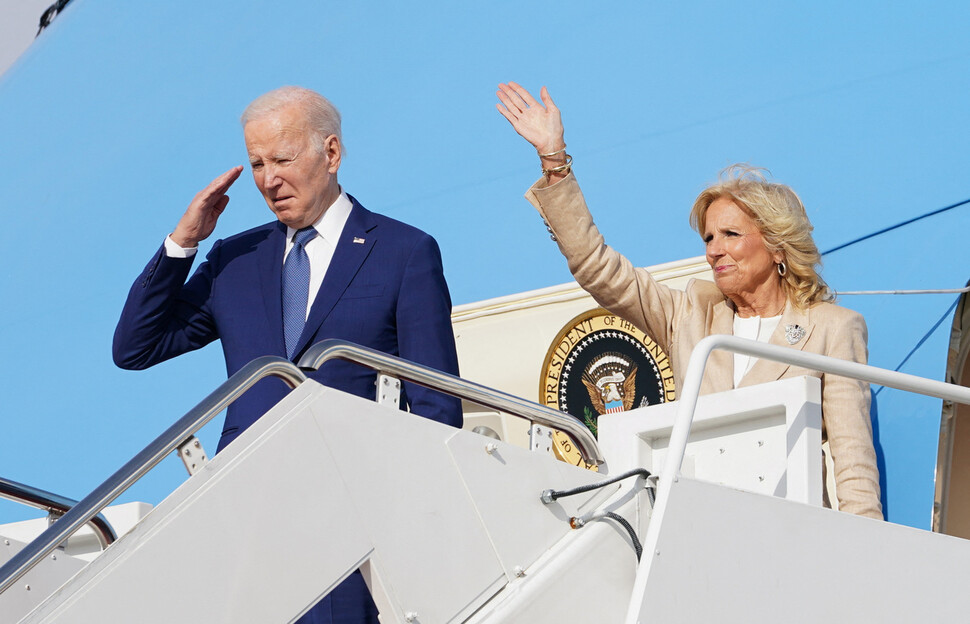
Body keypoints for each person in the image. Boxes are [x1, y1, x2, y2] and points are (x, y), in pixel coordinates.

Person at [114, 86, 462, 623]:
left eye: (281, 159)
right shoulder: (235, 258)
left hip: (353, 518)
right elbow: (136, 346)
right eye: (256, 163)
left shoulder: (404, 252)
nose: (268, 180)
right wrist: (184, 242)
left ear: (331, 153)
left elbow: (437, 404)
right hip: (248, 518)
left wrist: (420, 520)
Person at [496, 82, 881, 520]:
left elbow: (853, 465)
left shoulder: (832, 328)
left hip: (791, 535)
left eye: (731, 235)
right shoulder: (690, 315)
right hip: (696, 529)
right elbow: (596, 266)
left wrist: (868, 559)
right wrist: (555, 160)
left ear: (777, 246)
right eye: (709, 237)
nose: (714, 249)